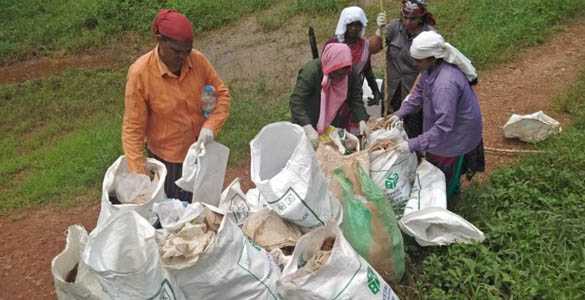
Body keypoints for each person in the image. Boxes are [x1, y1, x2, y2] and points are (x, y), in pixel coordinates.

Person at [122, 9, 231, 202]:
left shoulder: (197, 60)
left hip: (201, 153)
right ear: (159, 40)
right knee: (174, 216)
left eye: (187, 50)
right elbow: (133, 130)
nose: (183, 57)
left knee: (205, 209)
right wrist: (139, 175)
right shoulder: (140, 74)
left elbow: (221, 94)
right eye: (177, 51)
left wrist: (210, 128)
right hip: (169, 162)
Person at [391, 31, 484, 198]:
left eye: (418, 60)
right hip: (446, 130)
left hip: (455, 136)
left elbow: (443, 127)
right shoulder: (430, 70)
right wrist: (399, 114)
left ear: (432, 58)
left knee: (442, 179)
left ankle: (447, 201)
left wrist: (412, 144)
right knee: (436, 167)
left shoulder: (445, 85)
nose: (414, 63)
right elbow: (418, 94)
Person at [369, 0, 436, 138]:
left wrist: (411, 96)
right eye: (405, 17)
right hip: (391, 91)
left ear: (421, 18)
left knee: (412, 133)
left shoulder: (430, 35)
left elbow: (427, 71)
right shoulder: (394, 27)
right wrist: (379, 30)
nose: (407, 22)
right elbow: (372, 49)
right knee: (388, 129)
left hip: (415, 94)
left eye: (412, 19)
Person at [290, 43, 370, 149]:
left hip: (330, 119)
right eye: (337, 73)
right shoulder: (311, 72)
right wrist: (307, 127)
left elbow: (355, 98)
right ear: (330, 67)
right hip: (307, 117)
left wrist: (361, 120)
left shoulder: (350, 72)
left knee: (329, 151)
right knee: (305, 152)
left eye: (343, 74)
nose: (340, 77)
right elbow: (296, 101)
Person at [323, 6, 382, 136]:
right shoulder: (333, 45)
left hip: (354, 96)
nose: (354, 28)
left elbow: (367, 70)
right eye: (350, 25)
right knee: (333, 133)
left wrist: (375, 90)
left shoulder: (365, 47)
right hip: (333, 97)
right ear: (344, 25)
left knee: (354, 133)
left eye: (357, 25)